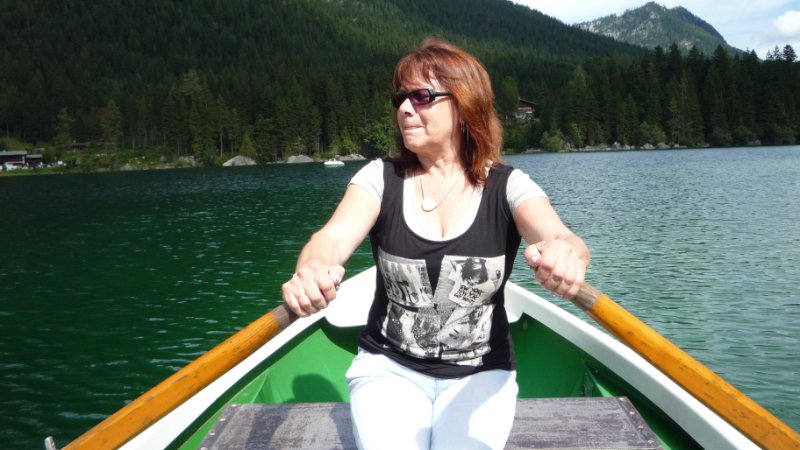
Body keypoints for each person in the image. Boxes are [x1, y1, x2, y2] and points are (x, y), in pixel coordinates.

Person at [282, 37, 590, 450]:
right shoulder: (379, 178)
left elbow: (562, 237)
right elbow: (331, 239)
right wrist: (312, 268)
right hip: (388, 367)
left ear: (464, 105)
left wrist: (566, 255)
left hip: (482, 372)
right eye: (401, 98)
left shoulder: (508, 186)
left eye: (422, 97)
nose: (405, 109)